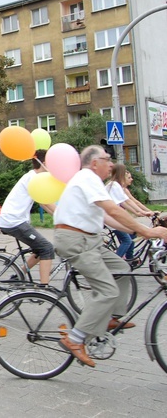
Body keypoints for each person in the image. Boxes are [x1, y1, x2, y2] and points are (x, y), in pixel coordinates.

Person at [53, 145, 167, 367]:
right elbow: (114, 210)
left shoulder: (92, 181)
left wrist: (135, 230)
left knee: (123, 269)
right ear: (94, 163)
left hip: (90, 240)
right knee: (107, 289)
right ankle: (74, 339)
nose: (111, 164)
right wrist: (148, 231)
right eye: (107, 159)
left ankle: (111, 318)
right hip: (76, 241)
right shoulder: (86, 178)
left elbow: (107, 216)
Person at [0, 150, 56, 285]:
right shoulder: (34, 178)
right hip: (13, 221)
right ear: (44, 164)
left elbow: (42, 202)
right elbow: (45, 201)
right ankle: (45, 288)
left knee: (40, 249)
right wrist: (64, 215)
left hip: (13, 220)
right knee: (47, 248)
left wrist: (58, 217)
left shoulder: (33, 177)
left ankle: (18, 274)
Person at [106, 163, 151, 260]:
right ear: (120, 174)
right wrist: (140, 212)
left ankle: (130, 259)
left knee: (132, 236)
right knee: (127, 240)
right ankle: (116, 264)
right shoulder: (114, 185)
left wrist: (139, 212)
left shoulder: (115, 185)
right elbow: (125, 202)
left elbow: (127, 201)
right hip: (111, 219)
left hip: (112, 218)